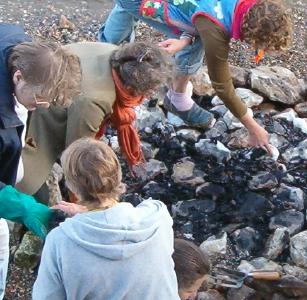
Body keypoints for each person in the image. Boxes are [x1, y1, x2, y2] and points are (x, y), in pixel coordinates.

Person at [98, 0, 293, 152]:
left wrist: (183, 39)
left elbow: (198, 11)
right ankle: (177, 100)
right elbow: (222, 85)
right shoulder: (215, 29)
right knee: (197, 43)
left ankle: (106, 42)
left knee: (126, 10)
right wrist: (253, 128)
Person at [17, 41, 172, 202]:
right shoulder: (96, 100)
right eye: (149, 91)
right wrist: (82, 204)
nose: (148, 96)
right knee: (32, 192)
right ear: (133, 89)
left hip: (42, 88)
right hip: (35, 117)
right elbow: (76, 154)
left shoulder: (117, 54)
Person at [32, 137, 179, 299]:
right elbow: (113, 222)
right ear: (118, 174)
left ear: (72, 186)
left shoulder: (60, 241)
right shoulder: (157, 216)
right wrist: (88, 213)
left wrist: (86, 214)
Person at [0, 23, 81, 299]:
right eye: (39, 98)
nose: (43, 106)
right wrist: (22, 207)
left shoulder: (15, 43)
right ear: (18, 77)